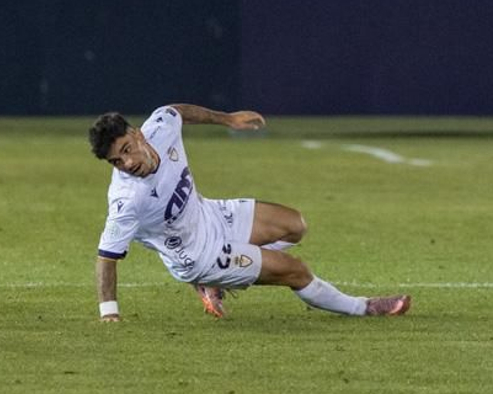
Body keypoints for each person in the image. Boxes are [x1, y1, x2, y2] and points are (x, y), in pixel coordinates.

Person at [90, 105, 411, 322]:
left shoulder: (160, 126)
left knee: (294, 226)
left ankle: (219, 280)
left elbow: (176, 111)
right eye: (117, 161)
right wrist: (109, 313)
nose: (127, 163)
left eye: (127, 150)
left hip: (210, 215)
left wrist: (226, 119)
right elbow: (107, 257)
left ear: (138, 134)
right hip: (199, 255)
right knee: (295, 271)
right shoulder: (125, 200)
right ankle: (364, 307)